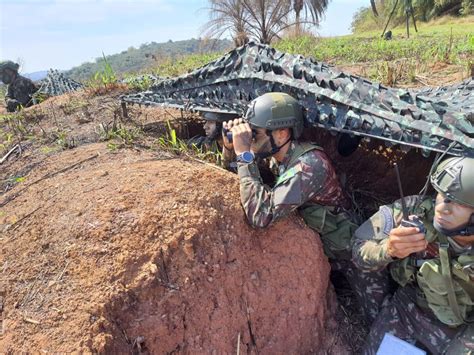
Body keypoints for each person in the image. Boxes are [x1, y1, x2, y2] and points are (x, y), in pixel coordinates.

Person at [224, 92, 390, 322]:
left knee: (379, 318)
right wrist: (231, 148)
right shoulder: (276, 152)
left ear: (282, 133)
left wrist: (244, 153)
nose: (250, 139)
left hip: (352, 252)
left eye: (255, 134)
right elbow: (236, 180)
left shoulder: (309, 166)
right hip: (324, 246)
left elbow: (260, 215)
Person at [352, 156, 474, 354]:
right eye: (442, 195)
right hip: (410, 307)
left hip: (464, 327)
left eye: (456, 202)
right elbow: (358, 248)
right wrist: (388, 249)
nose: (442, 208)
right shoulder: (413, 212)